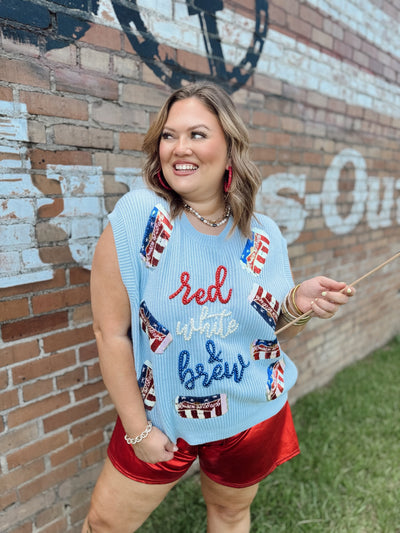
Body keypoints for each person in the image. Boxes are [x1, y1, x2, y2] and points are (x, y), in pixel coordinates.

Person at [82, 82, 354, 533]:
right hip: (158, 418)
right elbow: (109, 333)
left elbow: (274, 333)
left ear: (230, 148)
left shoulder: (264, 236)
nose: (179, 148)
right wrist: (138, 430)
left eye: (197, 134)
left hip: (251, 415)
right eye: (169, 135)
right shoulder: (138, 217)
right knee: (105, 523)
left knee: (229, 514)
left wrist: (296, 306)